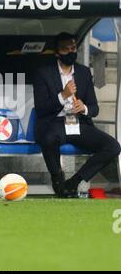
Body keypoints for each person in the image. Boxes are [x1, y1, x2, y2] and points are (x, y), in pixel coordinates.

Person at [33, 32, 120, 198]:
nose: (71, 51)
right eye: (66, 49)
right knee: (48, 138)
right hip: (54, 123)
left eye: (73, 48)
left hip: (78, 123)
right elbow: (41, 108)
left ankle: (74, 181)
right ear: (57, 53)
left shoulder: (84, 72)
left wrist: (84, 108)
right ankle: (58, 181)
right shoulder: (44, 73)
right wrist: (63, 95)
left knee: (113, 147)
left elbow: (94, 108)